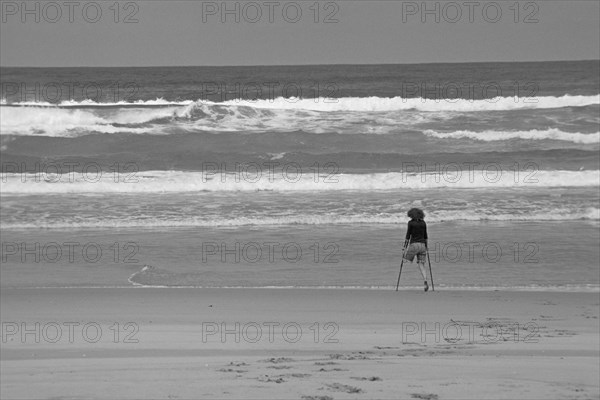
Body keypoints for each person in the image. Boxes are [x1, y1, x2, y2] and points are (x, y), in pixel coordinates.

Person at [403, 207, 429, 292]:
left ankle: (406, 282)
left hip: (414, 245)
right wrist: (426, 247)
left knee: (405, 260)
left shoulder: (410, 223)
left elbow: (408, 236)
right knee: (421, 265)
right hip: (422, 246)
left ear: (411, 214)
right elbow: (425, 237)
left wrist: (404, 247)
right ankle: (425, 280)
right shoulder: (423, 223)